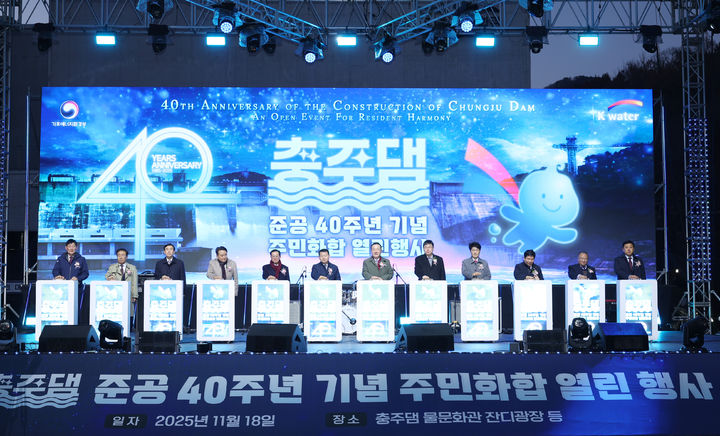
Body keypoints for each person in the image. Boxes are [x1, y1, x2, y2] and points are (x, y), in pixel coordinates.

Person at [52, 238, 90, 323]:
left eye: (73, 246)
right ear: (66, 248)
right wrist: (58, 276)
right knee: (64, 307)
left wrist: (78, 278)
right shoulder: (60, 259)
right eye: (69, 246)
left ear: (76, 247)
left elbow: (85, 273)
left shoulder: (81, 259)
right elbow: (55, 271)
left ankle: (76, 325)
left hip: (77, 288)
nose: (71, 248)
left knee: (76, 308)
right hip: (63, 288)